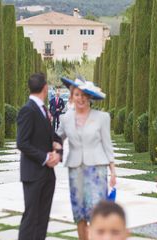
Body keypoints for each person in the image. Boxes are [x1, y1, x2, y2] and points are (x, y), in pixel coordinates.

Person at [56, 77, 117, 240]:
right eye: (77, 95)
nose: (80, 98)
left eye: (84, 95)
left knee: (97, 211)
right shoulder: (66, 118)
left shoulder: (102, 118)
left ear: (90, 97)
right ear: (71, 97)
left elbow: (107, 144)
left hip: (97, 170)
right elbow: (56, 139)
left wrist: (113, 170)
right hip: (75, 171)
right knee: (79, 213)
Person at [17, 73, 63, 240]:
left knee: (42, 219)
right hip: (33, 174)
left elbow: (55, 139)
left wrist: (58, 155)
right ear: (45, 88)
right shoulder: (27, 110)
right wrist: (45, 158)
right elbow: (22, 142)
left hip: (47, 175)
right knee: (31, 218)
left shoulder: (44, 110)